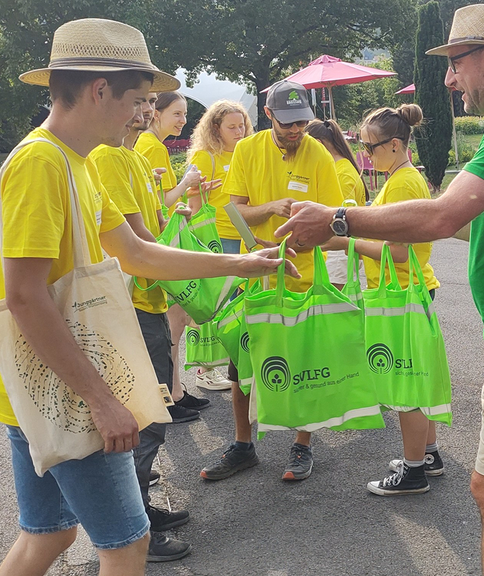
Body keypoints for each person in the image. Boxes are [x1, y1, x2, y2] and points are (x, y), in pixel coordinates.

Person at [276, 5, 484, 573]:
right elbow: (471, 220)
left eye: (455, 63)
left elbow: (444, 218)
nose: (448, 79)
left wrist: (338, 222)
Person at [0, 18, 295, 576]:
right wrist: (103, 400)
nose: (143, 114)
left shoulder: (74, 160)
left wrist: (243, 262)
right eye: (138, 100)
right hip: (68, 390)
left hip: (37, 386)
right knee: (127, 545)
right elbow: (25, 296)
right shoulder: (42, 162)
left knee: (49, 536)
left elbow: (140, 253)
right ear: (100, 89)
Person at [200, 80, 343, 483]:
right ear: (268, 116)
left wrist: (300, 237)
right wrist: (272, 210)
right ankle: (244, 445)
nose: (295, 130)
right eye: (287, 124)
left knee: (304, 366)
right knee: (242, 363)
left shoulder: (318, 154)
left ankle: (302, 446)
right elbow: (235, 212)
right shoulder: (247, 150)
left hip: (304, 278)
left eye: (301, 123)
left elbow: (333, 221)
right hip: (256, 278)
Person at [89, 89, 199, 562]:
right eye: (139, 101)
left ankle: (138, 515)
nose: (148, 111)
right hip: (130, 301)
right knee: (145, 418)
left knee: (151, 416)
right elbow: (135, 242)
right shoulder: (107, 157)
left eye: (152, 101)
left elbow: (152, 223)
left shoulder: (132, 159)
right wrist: (213, 267)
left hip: (148, 297)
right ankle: (134, 528)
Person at [320, 104, 444, 495]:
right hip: (407, 289)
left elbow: (401, 251)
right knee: (415, 379)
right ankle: (427, 454)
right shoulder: (400, 177)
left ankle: (413, 472)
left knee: (404, 383)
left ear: (394, 145)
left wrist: (349, 242)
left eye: (368, 147)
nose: (364, 154)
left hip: (401, 291)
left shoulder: (404, 182)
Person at [138, 90, 229, 411]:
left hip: (159, 242)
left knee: (173, 325)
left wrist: (193, 188)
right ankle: (170, 395)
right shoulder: (150, 146)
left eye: (185, 113)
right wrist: (187, 181)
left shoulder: (152, 146)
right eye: (176, 113)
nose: (182, 120)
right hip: (159, 246)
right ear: (158, 113)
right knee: (173, 325)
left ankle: (175, 391)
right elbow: (157, 202)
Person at [185, 101, 254, 392]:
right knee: (213, 304)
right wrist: (198, 244)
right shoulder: (205, 156)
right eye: (232, 127)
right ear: (215, 128)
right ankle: (204, 368)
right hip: (215, 238)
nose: (239, 131)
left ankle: (232, 364)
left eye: (242, 125)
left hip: (241, 236)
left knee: (236, 304)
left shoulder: (246, 152)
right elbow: (194, 203)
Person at [305, 118, 367, 287]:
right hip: (336, 251)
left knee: (333, 309)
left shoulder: (342, 174)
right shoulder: (339, 168)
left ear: (317, 144)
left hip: (338, 253)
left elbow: (341, 223)